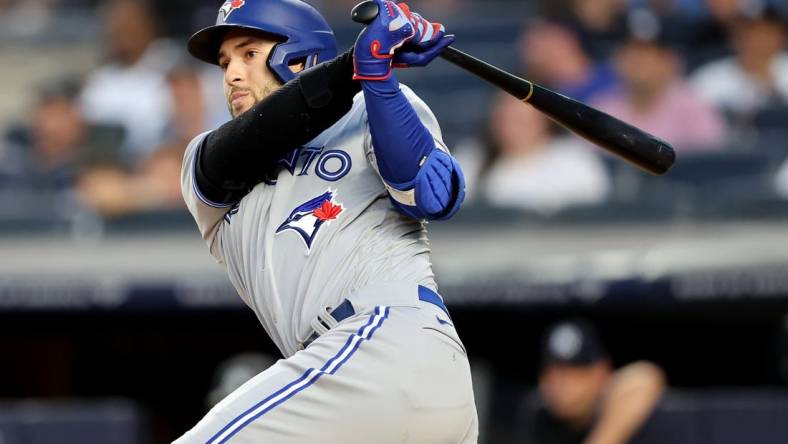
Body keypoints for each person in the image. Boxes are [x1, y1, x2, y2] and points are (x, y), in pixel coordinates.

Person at [176, 0, 477, 442]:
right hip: (343, 377)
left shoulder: (368, 107)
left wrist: (376, 78)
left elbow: (429, 193)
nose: (231, 74)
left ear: (298, 55)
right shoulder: (207, 161)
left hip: (386, 338)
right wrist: (356, 64)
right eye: (225, 63)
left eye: (249, 54)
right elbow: (263, 133)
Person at [591, 9, 727, 151]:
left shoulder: (694, 106)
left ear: (670, 60)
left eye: (648, 52)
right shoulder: (603, 109)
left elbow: (710, 164)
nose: (638, 60)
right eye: (631, 50)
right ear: (618, 59)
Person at [515, 320, 666, 444]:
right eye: (551, 372)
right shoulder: (538, 415)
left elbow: (644, 376)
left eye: (573, 373)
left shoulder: (611, 403)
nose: (559, 383)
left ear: (600, 373)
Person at [460, 92, 610, 214]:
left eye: (520, 120)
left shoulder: (574, 159)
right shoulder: (473, 158)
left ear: (545, 120)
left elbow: (593, 214)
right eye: (505, 119)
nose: (511, 128)